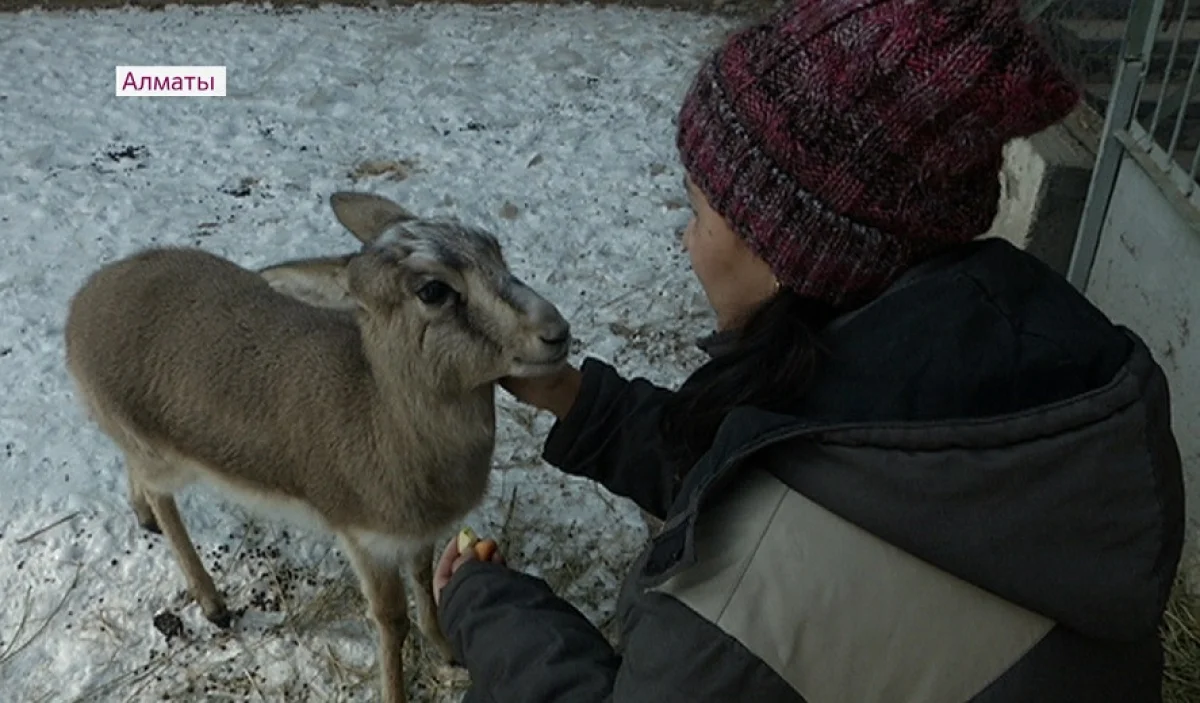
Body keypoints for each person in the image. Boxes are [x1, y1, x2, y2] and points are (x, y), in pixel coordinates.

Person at [430, 0, 1186, 700]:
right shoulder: (1033, 370)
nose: (684, 238)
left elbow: (780, 541)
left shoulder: (737, 615)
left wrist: (489, 608)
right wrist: (579, 403)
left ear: (786, 247)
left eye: (698, 209)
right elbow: (799, 474)